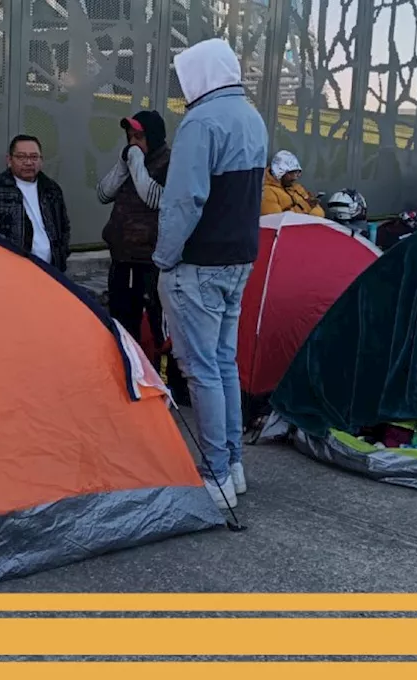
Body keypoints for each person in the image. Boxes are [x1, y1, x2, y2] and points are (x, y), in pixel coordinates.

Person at [153, 38, 268, 511]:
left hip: (197, 264)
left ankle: (216, 475)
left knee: (200, 371)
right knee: (223, 366)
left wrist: (163, 258)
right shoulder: (252, 117)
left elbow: (184, 201)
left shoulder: (200, 123)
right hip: (238, 260)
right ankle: (233, 468)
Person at [96, 111, 181, 382]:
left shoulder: (170, 163)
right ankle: (127, 375)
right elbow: (103, 193)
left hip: (151, 261)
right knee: (122, 320)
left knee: (159, 326)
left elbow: (155, 198)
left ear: (153, 136)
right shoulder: (133, 161)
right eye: (130, 137)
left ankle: (164, 380)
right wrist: (125, 164)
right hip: (122, 257)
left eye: (140, 136)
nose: (134, 143)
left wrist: (135, 162)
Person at [0, 135, 71, 272]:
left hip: (50, 270)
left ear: (41, 161)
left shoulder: (51, 190)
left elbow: (63, 227)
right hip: (9, 271)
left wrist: (61, 254)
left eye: (34, 157)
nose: (28, 162)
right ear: (9, 160)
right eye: (21, 157)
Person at [260, 150, 323, 216]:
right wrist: (305, 206)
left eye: (296, 172)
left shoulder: (297, 188)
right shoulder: (267, 192)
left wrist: (311, 204)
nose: (294, 178)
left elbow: (320, 213)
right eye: (290, 173)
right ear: (278, 172)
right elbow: (274, 220)